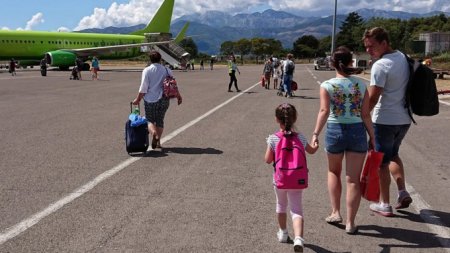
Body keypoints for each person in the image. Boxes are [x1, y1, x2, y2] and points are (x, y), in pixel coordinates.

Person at [312, 46, 375, 234]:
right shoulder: (361, 85)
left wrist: (315, 133)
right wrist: (372, 136)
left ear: (332, 64)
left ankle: (335, 212)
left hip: (335, 130)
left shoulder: (327, 85)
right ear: (350, 62)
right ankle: (351, 222)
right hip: (357, 131)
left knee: (333, 172)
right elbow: (365, 114)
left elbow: (324, 111)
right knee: (353, 180)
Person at [362, 27, 413, 217]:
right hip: (404, 118)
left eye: (371, 46)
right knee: (394, 155)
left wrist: (363, 118)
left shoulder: (381, 65)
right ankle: (402, 192)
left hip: (384, 120)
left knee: (381, 163)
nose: (369, 50)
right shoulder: (402, 57)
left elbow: (373, 98)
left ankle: (384, 203)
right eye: (366, 47)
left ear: (384, 43)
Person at [265, 103, 318, 252]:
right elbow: (312, 151)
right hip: (297, 179)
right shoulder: (300, 137)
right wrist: (315, 143)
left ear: (277, 119)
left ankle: (283, 233)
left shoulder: (273, 138)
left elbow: (268, 159)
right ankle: (299, 239)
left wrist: (270, 145)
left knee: (281, 205)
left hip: (280, 179)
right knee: (296, 209)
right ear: (295, 119)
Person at [132, 51, 182, 150]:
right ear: (160, 59)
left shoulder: (147, 70)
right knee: (160, 120)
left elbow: (143, 88)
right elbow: (173, 85)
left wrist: (137, 99)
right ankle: (158, 142)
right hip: (164, 98)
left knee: (149, 119)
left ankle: (154, 133)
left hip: (150, 99)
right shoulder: (167, 70)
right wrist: (179, 96)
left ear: (150, 59)